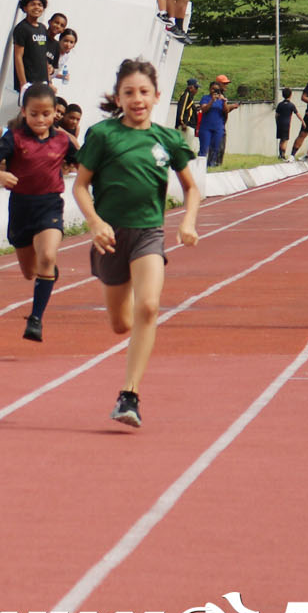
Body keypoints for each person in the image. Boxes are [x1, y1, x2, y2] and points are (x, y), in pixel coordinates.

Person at [73, 58, 199, 427]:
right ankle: (124, 295)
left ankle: (129, 395)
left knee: (148, 307)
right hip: (110, 239)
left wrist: (188, 222)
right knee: (120, 324)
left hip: (149, 233)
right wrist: (94, 222)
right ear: (118, 97)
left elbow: (191, 188)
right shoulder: (103, 135)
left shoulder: (168, 139)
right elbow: (80, 185)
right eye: (129, 92)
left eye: (144, 92)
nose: (137, 99)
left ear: (157, 96)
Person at [0, 83, 79, 342]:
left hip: (50, 205)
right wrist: (1, 174)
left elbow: (87, 163)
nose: (40, 119)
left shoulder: (62, 140)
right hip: (21, 208)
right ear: (24, 111)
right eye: (34, 113)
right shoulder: (14, 137)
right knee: (29, 271)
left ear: (54, 114)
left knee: (47, 256)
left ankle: (35, 320)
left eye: (46, 114)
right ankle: (46, 274)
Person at [11, 0, 49, 93]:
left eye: (40, 4)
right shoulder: (22, 28)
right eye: (32, 4)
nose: (37, 7)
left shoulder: (43, 28)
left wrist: (48, 80)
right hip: (29, 81)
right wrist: (23, 83)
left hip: (43, 82)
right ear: (25, 8)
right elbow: (18, 56)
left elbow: (43, 55)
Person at [196, 77, 238, 168]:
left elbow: (225, 111)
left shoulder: (221, 99)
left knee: (215, 148)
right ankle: (199, 167)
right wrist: (212, 100)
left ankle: (211, 165)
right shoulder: (205, 98)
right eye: (213, 89)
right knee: (204, 148)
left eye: (216, 90)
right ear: (210, 89)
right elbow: (204, 109)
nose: (214, 91)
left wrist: (224, 102)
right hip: (206, 127)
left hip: (218, 127)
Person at [173, 76, 198, 148]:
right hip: (186, 126)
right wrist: (182, 123)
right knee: (185, 148)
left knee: (187, 148)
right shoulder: (186, 95)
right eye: (196, 88)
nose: (197, 90)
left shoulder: (189, 96)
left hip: (189, 125)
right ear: (191, 88)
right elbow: (181, 109)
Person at [275, 87, 299, 160]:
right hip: (286, 124)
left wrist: (277, 123)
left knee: (281, 140)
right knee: (285, 140)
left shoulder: (280, 104)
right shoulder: (291, 105)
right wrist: (303, 121)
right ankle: (283, 155)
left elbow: (276, 115)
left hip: (280, 123)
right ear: (290, 95)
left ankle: (280, 154)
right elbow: (297, 114)